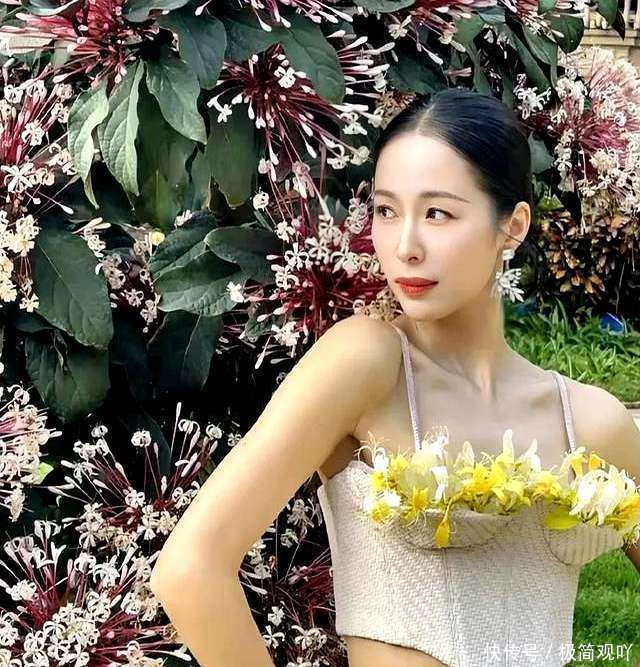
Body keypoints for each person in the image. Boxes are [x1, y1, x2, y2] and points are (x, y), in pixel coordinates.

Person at [149, 88, 640, 667]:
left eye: (438, 213)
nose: (405, 246)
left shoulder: (589, 422)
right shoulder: (367, 363)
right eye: (386, 211)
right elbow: (191, 570)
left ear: (512, 228)